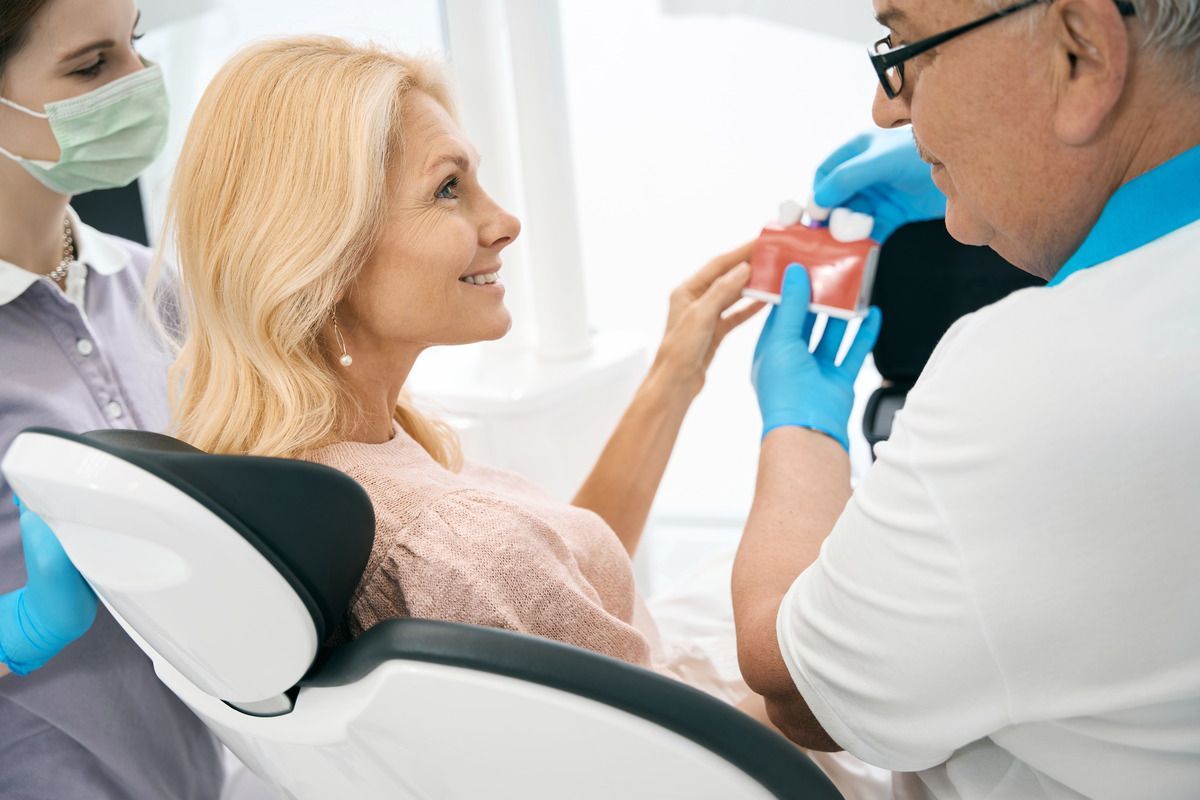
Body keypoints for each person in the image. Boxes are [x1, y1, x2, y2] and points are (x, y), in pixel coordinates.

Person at [159, 35, 771, 707]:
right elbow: (674, 759)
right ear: (323, 254)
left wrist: (674, 375)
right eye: (448, 188)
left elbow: (545, 590)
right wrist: (801, 432)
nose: (504, 222)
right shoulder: (453, 542)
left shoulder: (318, 472)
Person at [733, 0, 1200, 797]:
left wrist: (801, 424)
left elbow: (797, 690)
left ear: (1080, 55)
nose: (887, 105)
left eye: (907, 44)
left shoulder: (1038, 384)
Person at [0, 0, 223, 796]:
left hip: (205, 768)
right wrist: (19, 630)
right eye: (92, 68)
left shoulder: (154, 286)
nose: (140, 81)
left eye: (134, 44)